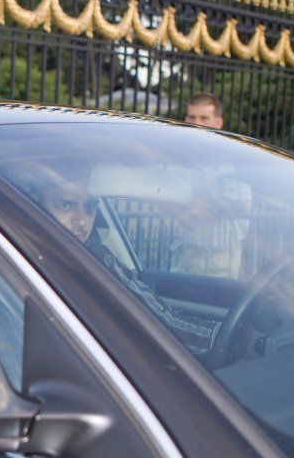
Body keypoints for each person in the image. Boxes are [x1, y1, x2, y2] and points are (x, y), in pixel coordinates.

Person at [32, 168, 220, 355]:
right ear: (34, 205)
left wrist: (219, 337)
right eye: (65, 206)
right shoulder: (17, 262)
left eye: (90, 207)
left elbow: (154, 317)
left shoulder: (96, 256)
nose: (81, 220)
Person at [175, 94, 251, 278]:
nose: (196, 123)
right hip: (188, 253)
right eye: (192, 117)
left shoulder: (233, 157)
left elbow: (242, 203)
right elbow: (163, 197)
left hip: (224, 257)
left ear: (218, 123)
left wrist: (197, 206)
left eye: (204, 118)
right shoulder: (178, 156)